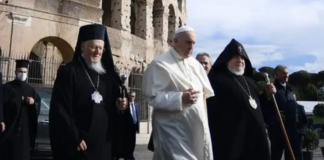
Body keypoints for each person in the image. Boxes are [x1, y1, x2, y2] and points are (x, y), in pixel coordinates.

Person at [49, 24, 133, 160]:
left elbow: (116, 109)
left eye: (101, 48)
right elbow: (60, 108)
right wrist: (74, 137)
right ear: (82, 46)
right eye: (93, 47)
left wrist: (121, 106)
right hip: (80, 146)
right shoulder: (69, 72)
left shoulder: (109, 77)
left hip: (104, 147)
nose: (97, 51)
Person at [142, 26, 214, 160]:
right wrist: (180, 98)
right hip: (172, 129)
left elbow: (204, 96)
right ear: (175, 41)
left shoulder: (196, 65)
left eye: (193, 43)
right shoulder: (159, 63)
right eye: (188, 42)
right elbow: (151, 97)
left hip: (197, 129)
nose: (191, 46)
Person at [207, 38, 271, 160]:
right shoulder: (216, 80)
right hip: (230, 137)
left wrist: (267, 96)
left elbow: (257, 106)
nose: (240, 60)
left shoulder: (250, 82)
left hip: (255, 137)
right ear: (227, 60)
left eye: (242, 58)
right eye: (235, 57)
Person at [0, 60, 41, 160]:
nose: (22, 74)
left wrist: (32, 102)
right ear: (15, 72)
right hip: (11, 128)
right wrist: (18, 101)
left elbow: (37, 103)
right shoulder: (7, 88)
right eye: (20, 72)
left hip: (25, 130)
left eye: (24, 72)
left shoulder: (31, 90)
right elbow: (2, 105)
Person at [261, 65, 303, 160]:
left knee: (293, 156)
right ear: (276, 75)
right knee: (276, 156)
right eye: (283, 73)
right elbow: (263, 107)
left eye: (287, 73)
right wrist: (274, 116)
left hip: (293, 131)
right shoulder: (271, 89)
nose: (286, 75)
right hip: (278, 131)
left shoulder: (290, 90)